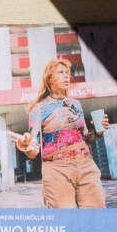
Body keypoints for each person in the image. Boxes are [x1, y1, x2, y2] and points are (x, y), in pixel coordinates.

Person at [8, 57, 109, 208]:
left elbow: (86, 140)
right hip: (57, 169)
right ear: (49, 79)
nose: (66, 76)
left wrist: (98, 132)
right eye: (61, 73)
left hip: (86, 164)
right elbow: (33, 150)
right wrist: (26, 145)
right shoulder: (39, 109)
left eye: (67, 73)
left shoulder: (75, 104)